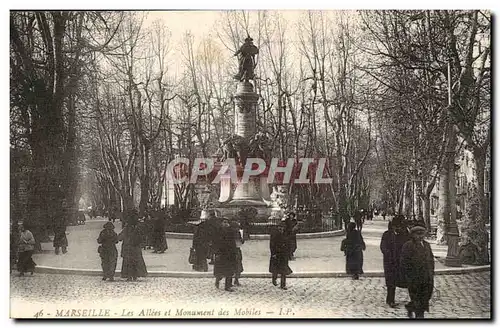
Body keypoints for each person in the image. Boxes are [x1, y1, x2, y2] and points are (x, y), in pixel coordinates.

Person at [400, 221, 435, 319]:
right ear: (413, 235)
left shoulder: (427, 245)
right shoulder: (408, 246)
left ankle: (411, 307)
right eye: (417, 234)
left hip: (427, 279)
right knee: (418, 301)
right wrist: (408, 277)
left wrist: (431, 273)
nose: (420, 236)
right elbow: (403, 263)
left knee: (425, 298)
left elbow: (431, 260)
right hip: (414, 279)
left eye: (422, 234)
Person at [380, 215, 410, 307]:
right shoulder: (387, 234)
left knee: (406, 280)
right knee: (391, 282)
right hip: (390, 262)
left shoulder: (405, 235)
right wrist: (388, 255)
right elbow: (383, 247)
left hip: (401, 262)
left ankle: (413, 299)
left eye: (400, 226)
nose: (398, 228)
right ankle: (390, 300)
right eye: (396, 226)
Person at [118, 210, 148, 281]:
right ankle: (135, 275)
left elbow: (120, 237)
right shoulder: (139, 227)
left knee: (128, 262)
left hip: (128, 247)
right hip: (136, 247)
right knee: (136, 261)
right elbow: (143, 237)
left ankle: (129, 276)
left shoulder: (127, 228)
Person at [213, 218, 237, 292]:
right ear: (221, 223)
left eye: (227, 222)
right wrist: (216, 253)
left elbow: (233, 243)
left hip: (229, 254)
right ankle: (217, 280)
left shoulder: (231, 231)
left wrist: (234, 252)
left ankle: (228, 286)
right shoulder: (218, 232)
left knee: (229, 271)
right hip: (221, 254)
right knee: (220, 270)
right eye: (224, 222)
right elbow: (215, 243)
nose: (225, 224)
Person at [269, 218, 293, 290]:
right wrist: (273, 253)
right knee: (275, 269)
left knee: (284, 270)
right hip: (276, 254)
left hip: (284, 254)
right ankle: (274, 279)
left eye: (282, 227)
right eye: (280, 227)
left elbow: (288, 244)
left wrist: (289, 254)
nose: (281, 228)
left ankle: (283, 284)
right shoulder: (274, 234)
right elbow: (272, 244)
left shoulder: (286, 234)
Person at [231, 221, 244, 287]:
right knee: (237, 265)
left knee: (234, 266)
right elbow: (241, 241)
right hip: (236, 250)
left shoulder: (232, 232)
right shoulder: (236, 233)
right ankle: (236, 280)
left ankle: (233, 280)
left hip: (233, 250)